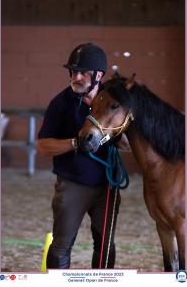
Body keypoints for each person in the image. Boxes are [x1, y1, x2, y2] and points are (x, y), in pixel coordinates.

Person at [37, 43, 125, 269]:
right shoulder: (60, 103)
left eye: (83, 72)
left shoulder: (114, 101)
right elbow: (43, 146)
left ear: (98, 75)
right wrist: (76, 143)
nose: (76, 77)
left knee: (105, 245)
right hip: (72, 184)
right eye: (73, 71)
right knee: (61, 246)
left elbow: (127, 139)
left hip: (107, 184)